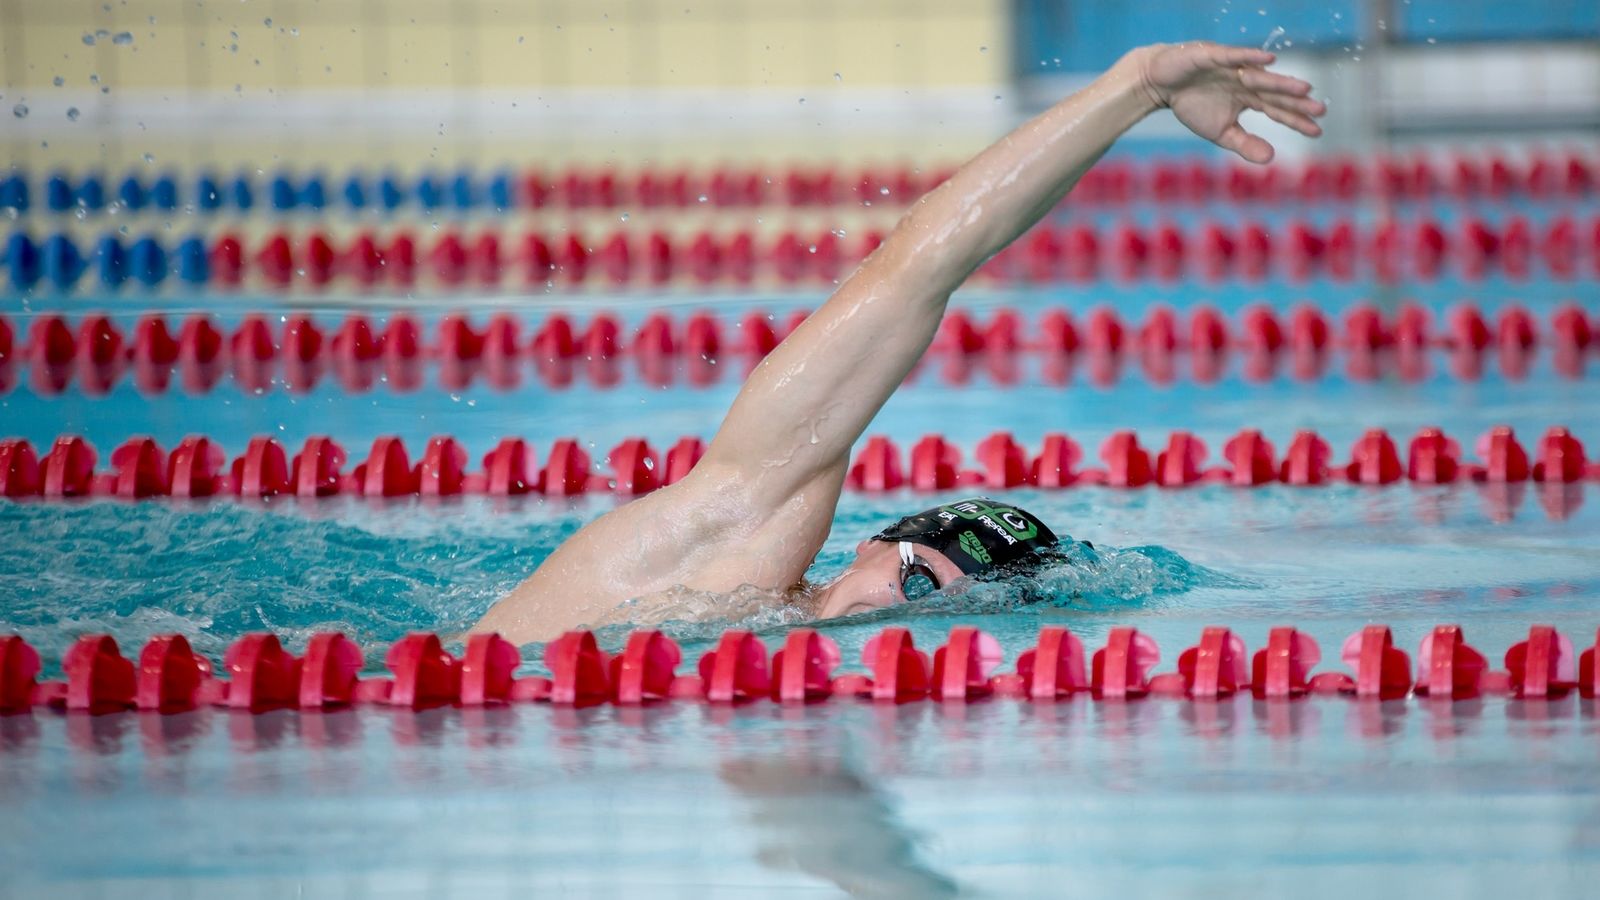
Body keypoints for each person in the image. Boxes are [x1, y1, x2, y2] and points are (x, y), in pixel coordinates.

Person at [473, 41, 1324, 645]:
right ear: (867, 546)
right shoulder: (727, 544)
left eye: (939, 614)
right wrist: (1135, 87)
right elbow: (915, 273)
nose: (898, 616)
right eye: (915, 581)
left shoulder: (794, 658)